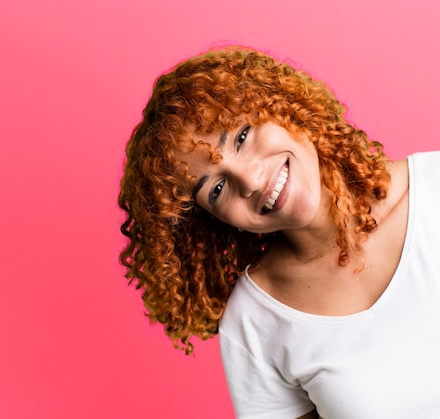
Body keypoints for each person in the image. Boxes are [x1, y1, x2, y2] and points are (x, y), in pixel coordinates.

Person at [118, 46, 440, 418]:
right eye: (217, 190)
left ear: (279, 104)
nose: (251, 180)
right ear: (215, 220)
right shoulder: (256, 321)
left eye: (240, 138)